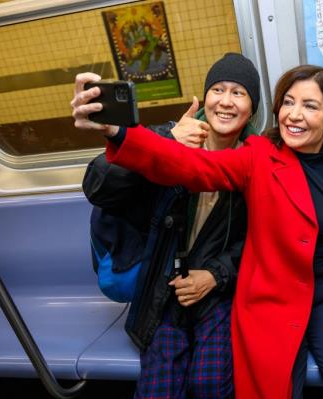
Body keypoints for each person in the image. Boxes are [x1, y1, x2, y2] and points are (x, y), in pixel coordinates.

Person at [72, 64, 323, 399]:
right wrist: (119, 131)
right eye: (288, 103)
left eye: (310, 106)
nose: (294, 115)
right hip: (272, 297)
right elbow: (193, 166)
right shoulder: (259, 155)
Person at [75, 53, 261, 399]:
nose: (225, 101)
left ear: (253, 107)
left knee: (210, 385)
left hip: (216, 290)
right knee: (159, 389)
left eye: (239, 93)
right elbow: (98, 186)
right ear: (205, 97)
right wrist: (168, 137)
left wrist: (215, 276)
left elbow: (259, 241)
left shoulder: (257, 161)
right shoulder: (171, 140)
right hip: (162, 286)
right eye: (218, 89)